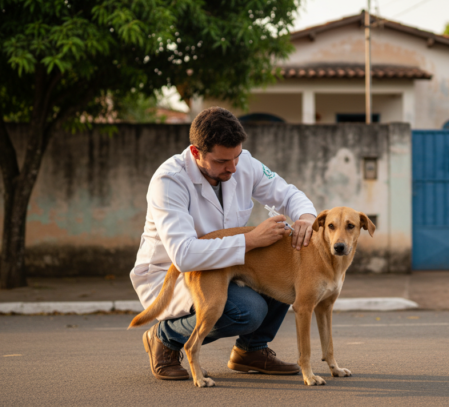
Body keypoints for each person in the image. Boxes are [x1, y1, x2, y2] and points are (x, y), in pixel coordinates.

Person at [130, 107, 317, 381]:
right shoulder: (169, 181)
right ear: (196, 153)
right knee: (247, 312)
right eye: (221, 161)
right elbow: (184, 255)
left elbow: (287, 194)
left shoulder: (242, 163)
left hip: (228, 267)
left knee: (289, 264)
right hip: (178, 274)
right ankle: (164, 337)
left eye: (236, 157)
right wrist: (250, 240)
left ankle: (251, 350)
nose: (232, 168)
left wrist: (306, 218)